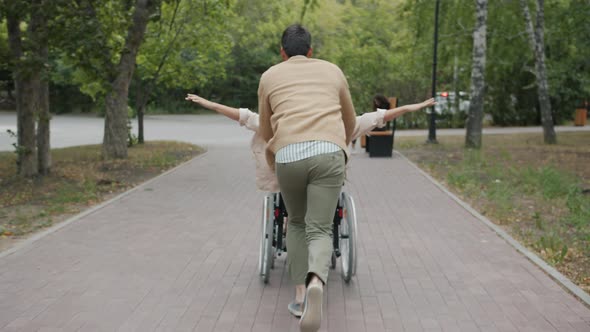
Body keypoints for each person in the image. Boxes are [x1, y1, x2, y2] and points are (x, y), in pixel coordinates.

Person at [186, 96, 435, 327]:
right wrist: (413, 107)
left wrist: (208, 103)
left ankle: (300, 293)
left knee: (294, 220)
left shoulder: (280, 124)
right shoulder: (341, 125)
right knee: (321, 224)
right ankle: (316, 276)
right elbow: (380, 117)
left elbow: (243, 116)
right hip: (326, 181)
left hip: (290, 179)